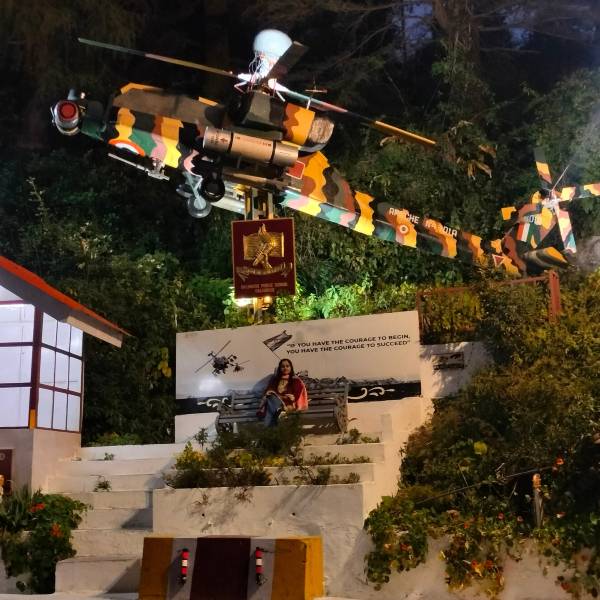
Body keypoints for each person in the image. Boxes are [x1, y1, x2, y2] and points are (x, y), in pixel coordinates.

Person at [258, 359, 308, 427]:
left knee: (270, 411)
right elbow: (268, 391)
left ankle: (271, 431)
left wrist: (289, 397)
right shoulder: (275, 380)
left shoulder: (296, 380)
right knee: (271, 398)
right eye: (283, 366)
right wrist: (276, 396)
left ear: (291, 367)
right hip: (275, 403)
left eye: (287, 366)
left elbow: (297, 395)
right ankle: (279, 411)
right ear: (280, 368)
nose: (285, 368)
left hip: (288, 405)